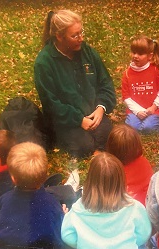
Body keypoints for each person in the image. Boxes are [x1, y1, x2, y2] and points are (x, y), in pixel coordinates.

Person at [34, 10, 116, 158]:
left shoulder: (88, 52)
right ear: (59, 37)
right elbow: (51, 104)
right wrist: (78, 119)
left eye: (81, 32)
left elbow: (106, 83)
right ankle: (94, 147)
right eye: (74, 35)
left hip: (93, 115)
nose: (81, 38)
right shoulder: (44, 62)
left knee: (112, 136)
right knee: (84, 146)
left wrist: (101, 108)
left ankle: (99, 147)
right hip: (66, 122)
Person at [0, 142, 67, 249]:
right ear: (44, 176)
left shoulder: (4, 199)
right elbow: (57, 241)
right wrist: (62, 216)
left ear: (13, 178)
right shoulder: (51, 205)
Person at [122, 35, 159, 132]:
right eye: (134, 52)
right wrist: (137, 111)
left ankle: (156, 120)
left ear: (150, 56)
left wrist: (153, 107)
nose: (135, 56)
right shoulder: (127, 73)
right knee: (132, 128)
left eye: (140, 54)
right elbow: (126, 97)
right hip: (134, 111)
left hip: (153, 111)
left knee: (147, 128)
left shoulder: (156, 71)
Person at [106, 124, 153, 206]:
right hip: (145, 204)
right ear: (137, 145)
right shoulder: (144, 162)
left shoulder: (110, 170)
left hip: (124, 207)